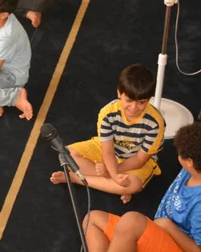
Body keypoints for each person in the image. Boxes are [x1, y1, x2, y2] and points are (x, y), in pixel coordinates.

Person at [51, 122, 201, 252]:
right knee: (93, 219)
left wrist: (169, 227)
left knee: (132, 220)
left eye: (180, 154)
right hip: (159, 237)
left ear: (190, 161)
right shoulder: (192, 171)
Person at [50, 64, 165, 203]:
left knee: (133, 185)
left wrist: (113, 172)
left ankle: (78, 179)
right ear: (119, 93)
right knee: (65, 155)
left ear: (148, 99)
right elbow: (108, 151)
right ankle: (112, 183)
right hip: (110, 153)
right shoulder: (107, 113)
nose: (134, 108)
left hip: (136, 161)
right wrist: (114, 174)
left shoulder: (155, 122)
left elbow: (141, 159)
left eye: (141, 102)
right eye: (129, 100)